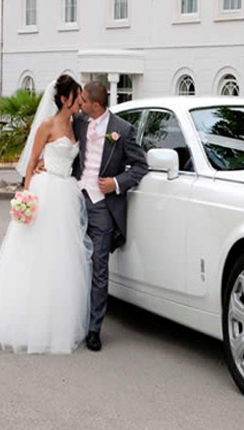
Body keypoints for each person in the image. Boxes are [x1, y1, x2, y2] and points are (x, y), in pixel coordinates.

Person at [0, 75, 92, 354]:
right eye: (77, 97)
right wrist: (26, 196)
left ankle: (56, 324)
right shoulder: (47, 125)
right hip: (46, 190)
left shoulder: (77, 124)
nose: (81, 102)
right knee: (35, 256)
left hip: (66, 192)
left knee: (62, 260)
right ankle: (28, 323)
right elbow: (31, 162)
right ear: (64, 99)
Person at [72, 81, 148, 352]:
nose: (79, 103)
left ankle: (94, 330)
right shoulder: (79, 122)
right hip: (75, 201)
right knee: (72, 263)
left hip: (103, 207)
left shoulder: (122, 130)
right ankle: (72, 322)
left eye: (83, 100)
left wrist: (115, 183)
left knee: (99, 268)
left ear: (96, 104)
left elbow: (140, 166)